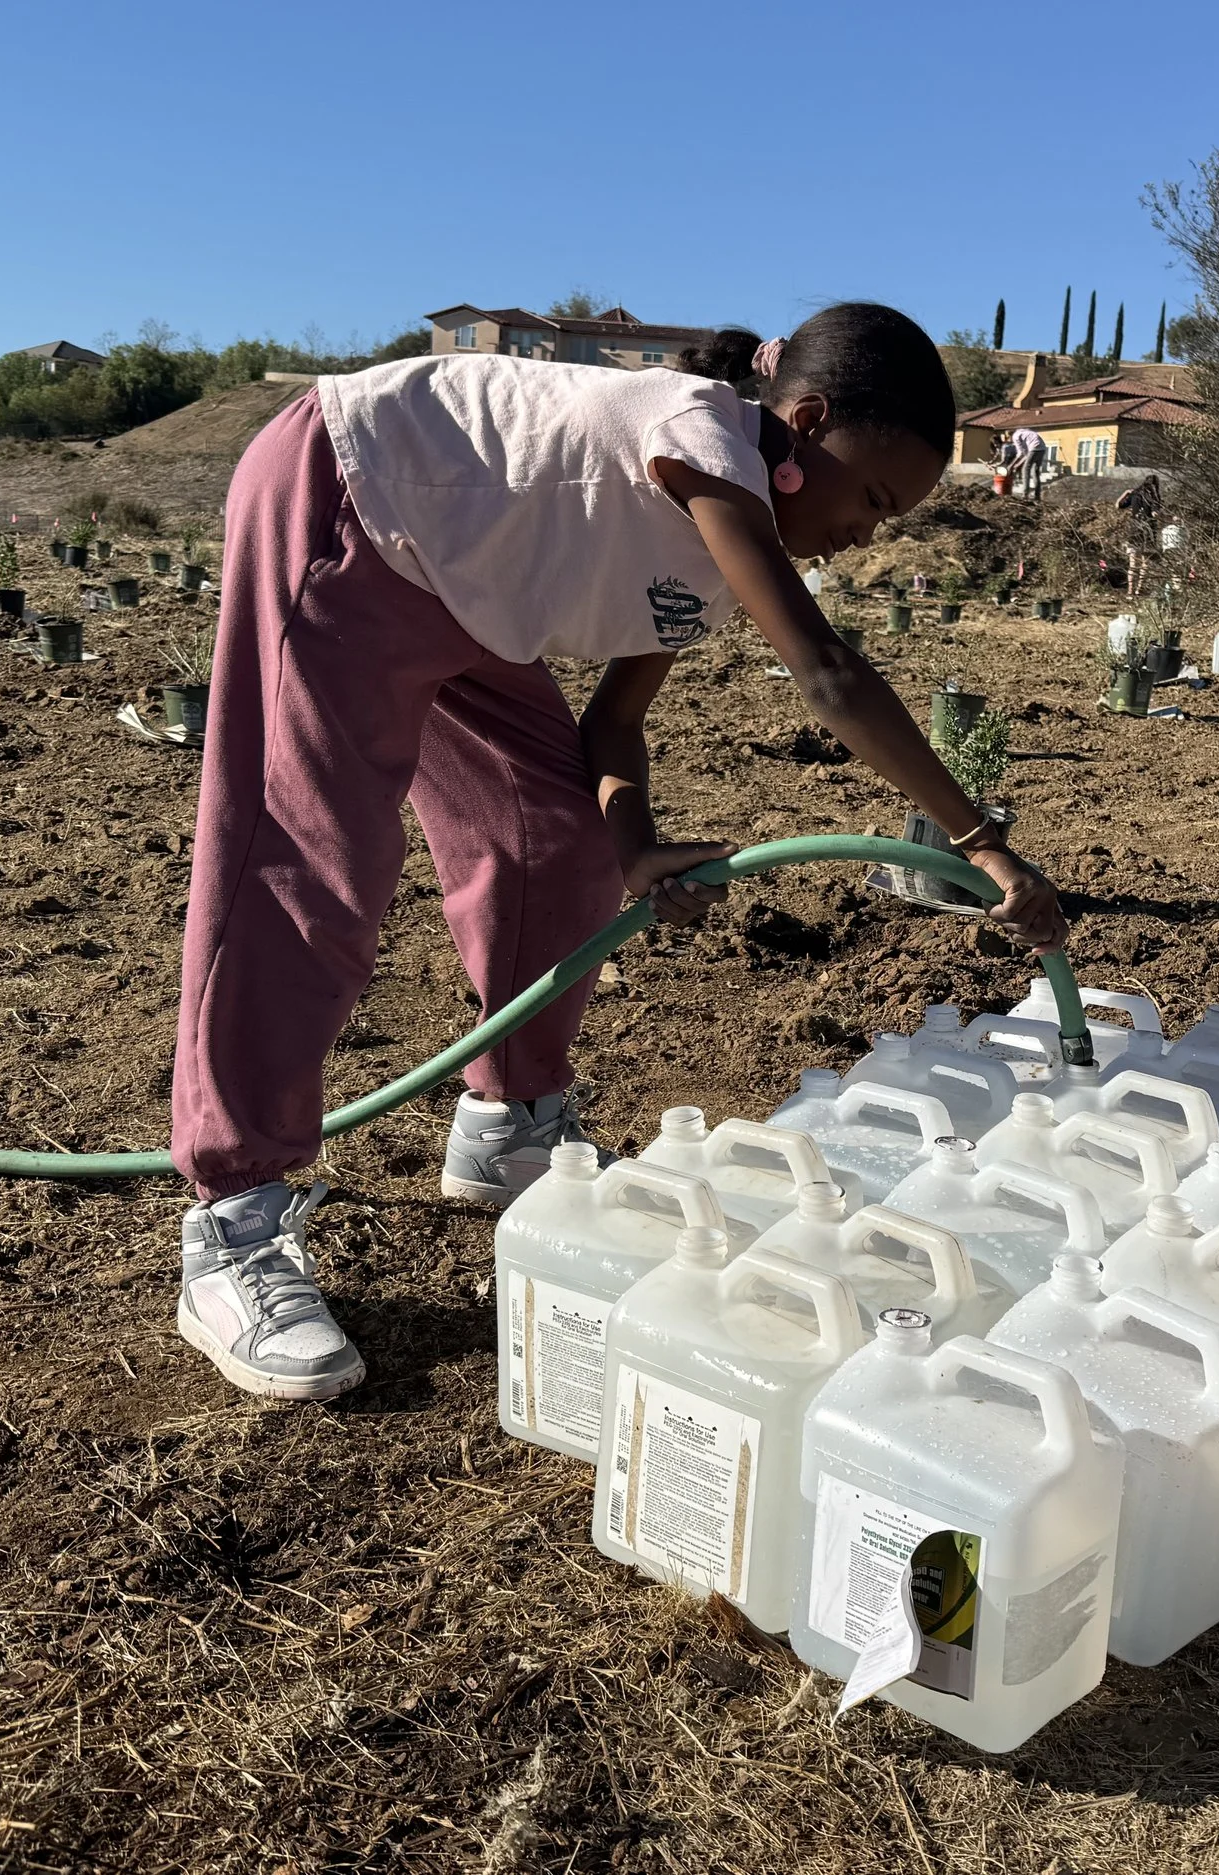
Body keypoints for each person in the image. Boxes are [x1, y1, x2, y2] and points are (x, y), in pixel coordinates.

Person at [168, 303, 1068, 1402]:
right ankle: (233, 1220)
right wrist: (978, 841)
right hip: (353, 503)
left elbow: (611, 733)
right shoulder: (701, 435)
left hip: (466, 591)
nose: (865, 537)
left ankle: (511, 1122)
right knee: (304, 863)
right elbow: (827, 677)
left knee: (554, 833)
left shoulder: (711, 554)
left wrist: (631, 846)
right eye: (873, 500)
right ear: (810, 424)